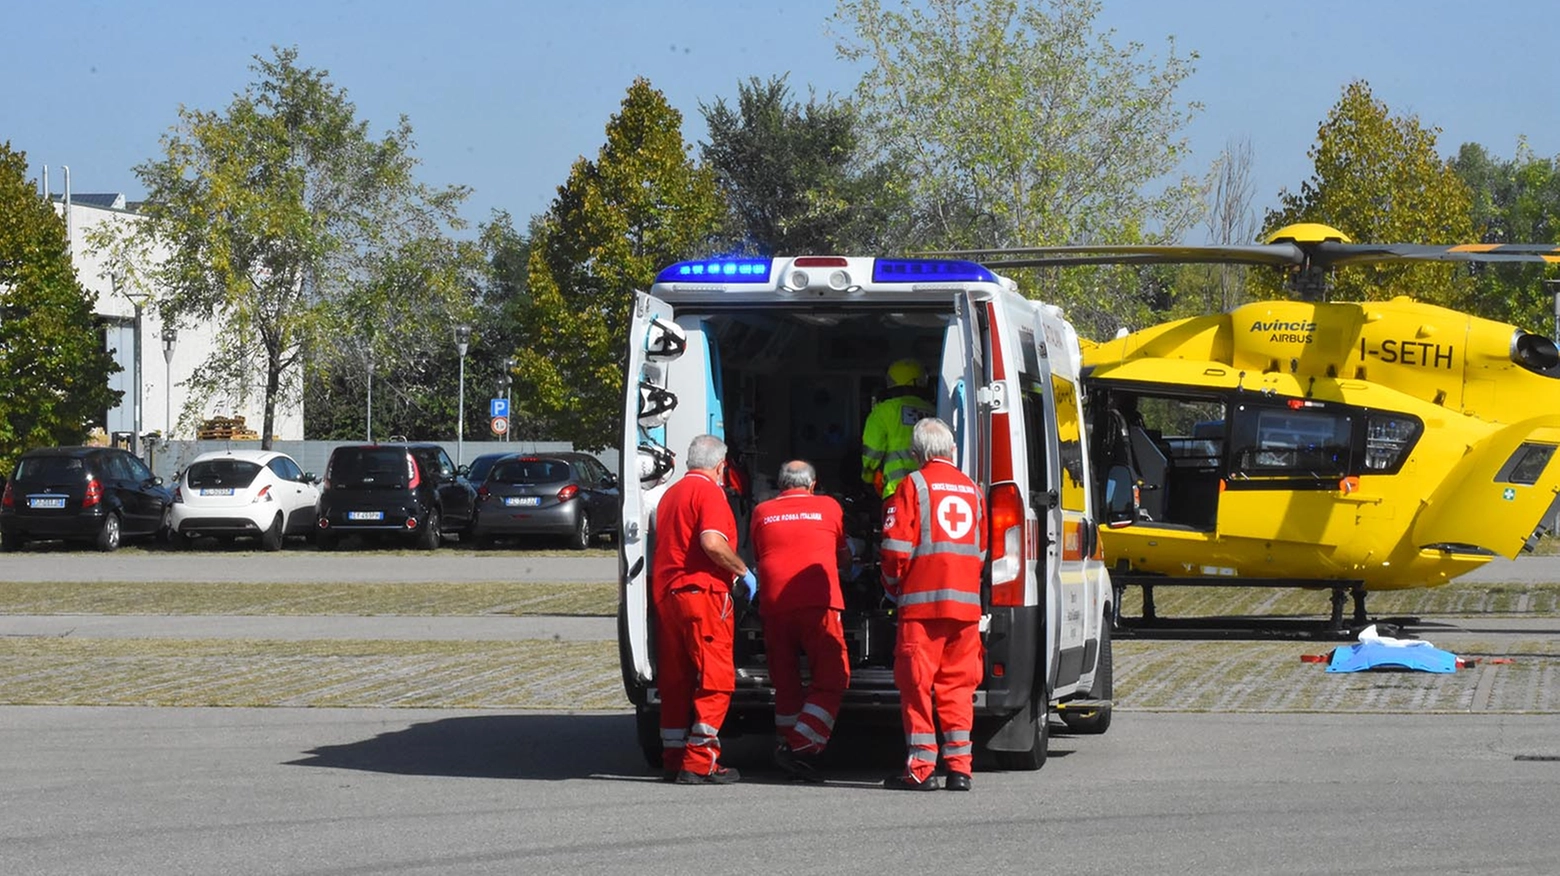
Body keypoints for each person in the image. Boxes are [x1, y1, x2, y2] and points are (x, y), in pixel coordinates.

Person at [879, 417, 987, 792]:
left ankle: (921, 769)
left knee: (916, 686)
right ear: (952, 450)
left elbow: (895, 549)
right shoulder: (973, 490)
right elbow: (982, 549)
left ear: (916, 453)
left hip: (922, 609)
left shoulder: (913, 485)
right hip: (966, 609)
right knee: (958, 687)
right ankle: (960, 770)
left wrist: (892, 587)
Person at [651, 434, 757, 784]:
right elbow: (711, 542)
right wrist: (742, 570)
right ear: (720, 465)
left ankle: (673, 754)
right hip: (703, 594)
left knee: (676, 678)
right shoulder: (709, 492)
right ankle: (700, 761)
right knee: (715, 679)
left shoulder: (671, 494)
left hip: (668, 596)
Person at [749, 460, 853, 782]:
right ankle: (798, 747)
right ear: (812, 484)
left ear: (781, 485)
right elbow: (841, 554)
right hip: (817, 604)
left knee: (786, 684)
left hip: (775, 605)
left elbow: (758, 553)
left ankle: (786, 744)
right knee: (835, 677)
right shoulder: (829, 507)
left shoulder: (762, 512)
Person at [861, 358, 936, 502]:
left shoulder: (882, 411)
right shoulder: (934, 411)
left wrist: (868, 479)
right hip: (930, 492)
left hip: (897, 491)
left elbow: (871, 455)